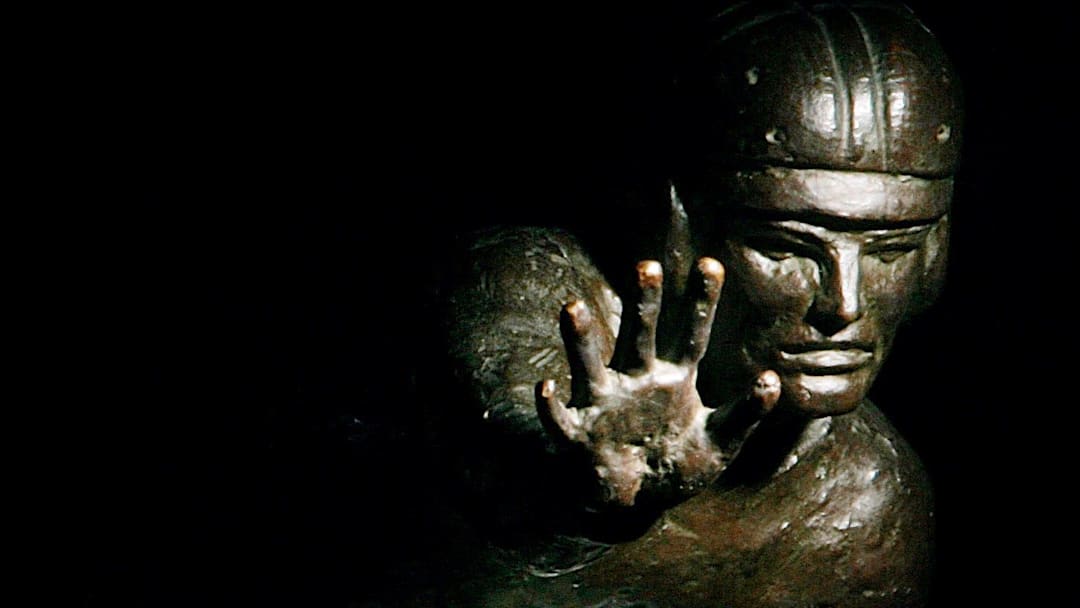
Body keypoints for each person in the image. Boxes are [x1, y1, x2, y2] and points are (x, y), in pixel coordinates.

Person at [430, 1, 961, 606]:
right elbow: (513, 373)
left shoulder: (871, 497)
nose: (844, 304)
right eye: (785, 248)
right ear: (680, 225)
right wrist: (578, 465)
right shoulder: (533, 281)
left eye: (890, 252)